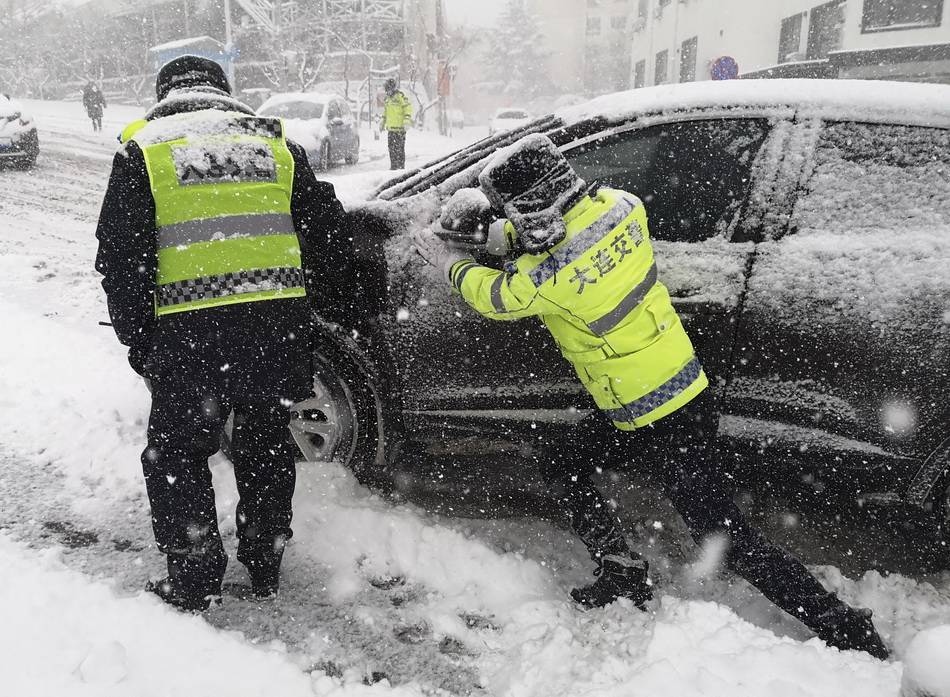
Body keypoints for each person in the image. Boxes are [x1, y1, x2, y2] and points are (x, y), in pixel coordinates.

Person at [415, 133, 890, 659]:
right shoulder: (622, 206)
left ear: (533, 204)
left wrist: (447, 261)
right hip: (680, 385)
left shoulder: (545, 277)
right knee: (564, 457)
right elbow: (551, 238)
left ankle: (847, 630)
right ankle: (621, 571)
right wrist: (506, 236)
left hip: (652, 415)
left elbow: (497, 295)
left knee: (723, 537)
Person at [95, 55, 351, 611]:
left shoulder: (145, 150)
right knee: (264, 444)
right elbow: (330, 240)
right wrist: (317, 309)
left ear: (165, 94)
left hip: (187, 335)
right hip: (274, 330)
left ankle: (193, 575)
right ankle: (264, 561)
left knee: (177, 454)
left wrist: (138, 339)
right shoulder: (276, 146)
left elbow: (119, 258)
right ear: (223, 91)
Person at [379, 78, 412, 170]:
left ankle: (401, 169)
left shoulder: (400, 96)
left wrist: (406, 120)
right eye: (386, 90)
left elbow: (407, 108)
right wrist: (382, 121)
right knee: (391, 150)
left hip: (400, 130)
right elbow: (386, 112)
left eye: (388, 89)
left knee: (400, 150)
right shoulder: (387, 99)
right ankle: (393, 167)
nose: (387, 92)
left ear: (393, 88)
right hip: (391, 130)